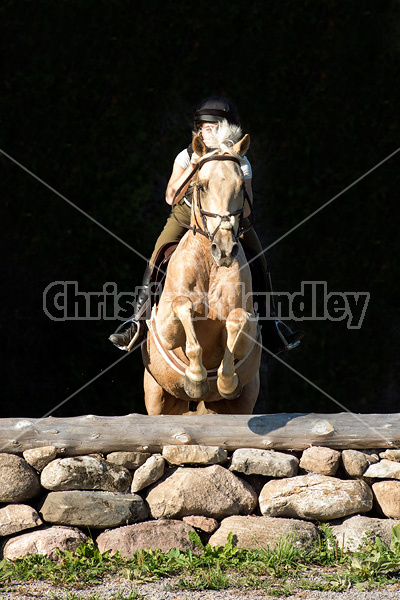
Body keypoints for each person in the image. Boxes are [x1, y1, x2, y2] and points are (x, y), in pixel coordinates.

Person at [109, 96, 304, 353]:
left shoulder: (240, 161)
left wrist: (231, 199)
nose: (209, 132)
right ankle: (137, 322)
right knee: (158, 254)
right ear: (198, 129)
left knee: (259, 258)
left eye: (216, 127)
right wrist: (193, 167)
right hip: (187, 214)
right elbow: (170, 197)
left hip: (229, 218)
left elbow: (247, 208)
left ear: (228, 130)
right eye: (205, 127)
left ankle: (272, 324)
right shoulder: (186, 155)